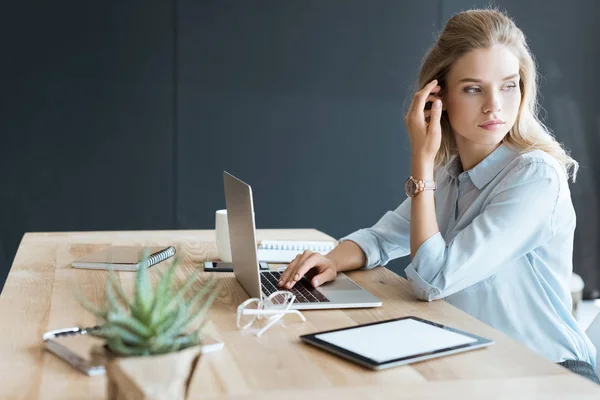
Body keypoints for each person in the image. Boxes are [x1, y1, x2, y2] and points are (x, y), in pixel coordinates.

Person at [277, 7, 599, 384]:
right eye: (474, 88)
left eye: (508, 85)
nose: (495, 105)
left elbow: (434, 280)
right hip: (480, 365)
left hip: (549, 374)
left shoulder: (535, 177)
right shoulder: (451, 175)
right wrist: (329, 260)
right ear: (437, 97)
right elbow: (383, 237)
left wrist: (421, 160)